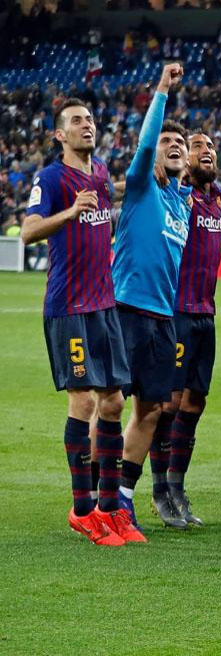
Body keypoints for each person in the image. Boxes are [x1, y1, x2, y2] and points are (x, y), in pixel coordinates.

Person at [22, 96, 137, 546]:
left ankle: (110, 509)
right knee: (84, 402)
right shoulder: (50, 178)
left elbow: (108, 200)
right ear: (59, 134)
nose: (87, 124)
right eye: (76, 120)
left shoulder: (101, 173)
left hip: (104, 306)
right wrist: (70, 212)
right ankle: (83, 510)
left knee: (114, 403)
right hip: (68, 306)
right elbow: (28, 231)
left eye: (89, 118)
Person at [112, 62, 194, 535]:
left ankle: (123, 496)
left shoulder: (182, 203)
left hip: (164, 317)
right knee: (111, 406)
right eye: (168, 141)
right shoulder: (143, 182)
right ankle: (96, 495)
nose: (174, 145)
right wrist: (162, 89)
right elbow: (144, 146)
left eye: (180, 142)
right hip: (127, 308)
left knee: (153, 409)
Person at [148, 131, 221, 529]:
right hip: (175, 310)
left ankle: (177, 486)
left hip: (205, 315)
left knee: (195, 403)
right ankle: (159, 490)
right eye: (198, 146)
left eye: (210, 146)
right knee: (169, 404)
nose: (206, 151)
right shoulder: (175, 193)